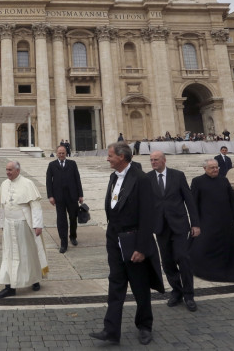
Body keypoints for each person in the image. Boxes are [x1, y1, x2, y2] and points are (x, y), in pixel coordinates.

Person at [89, 142, 162, 346]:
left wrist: (141, 247)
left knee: (140, 287)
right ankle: (111, 330)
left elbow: (148, 216)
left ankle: (145, 326)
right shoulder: (114, 177)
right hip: (114, 238)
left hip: (133, 239)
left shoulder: (141, 179)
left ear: (122, 157)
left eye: (110, 155)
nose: (107, 158)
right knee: (115, 285)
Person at [147, 150, 200, 312]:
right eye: (151, 160)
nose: (153, 162)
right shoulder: (147, 178)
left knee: (183, 258)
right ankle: (177, 291)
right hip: (160, 227)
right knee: (167, 261)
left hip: (179, 225)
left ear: (164, 160)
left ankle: (189, 295)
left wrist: (195, 224)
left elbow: (189, 201)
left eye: (156, 159)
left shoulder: (178, 175)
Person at [189, 159, 234, 282]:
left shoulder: (224, 180)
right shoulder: (197, 181)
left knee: (229, 247)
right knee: (204, 247)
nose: (215, 170)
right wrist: (195, 222)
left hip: (226, 221)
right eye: (212, 168)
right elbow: (193, 203)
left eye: (216, 167)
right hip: (207, 221)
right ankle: (207, 272)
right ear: (204, 169)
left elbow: (232, 199)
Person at [0, 161, 47, 299]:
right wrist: (2, 224)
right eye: (6, 169)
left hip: (24, 224)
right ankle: (9, 286)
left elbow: (35, 206)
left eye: (10, 170)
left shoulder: (27, 183)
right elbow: (2, 206)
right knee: (8, 255)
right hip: (8, 224)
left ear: (18, 170)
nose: (8, 172)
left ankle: (35, 279)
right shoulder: (4, 184)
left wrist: (38, 225)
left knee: (27, 253)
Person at [46, 145, 83, 253]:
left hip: (72, 196)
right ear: (56, 153)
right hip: (59, 198)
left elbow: (77, 179)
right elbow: (49, 182)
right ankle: (63, 243)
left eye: (63, 153)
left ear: (66, 153)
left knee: (73, 218)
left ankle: (73, 236)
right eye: (59, 153)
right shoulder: (52, 165)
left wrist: (80, 195)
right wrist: (50, 196)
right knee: (61, 221)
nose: (61, 155)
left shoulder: (72, 164)